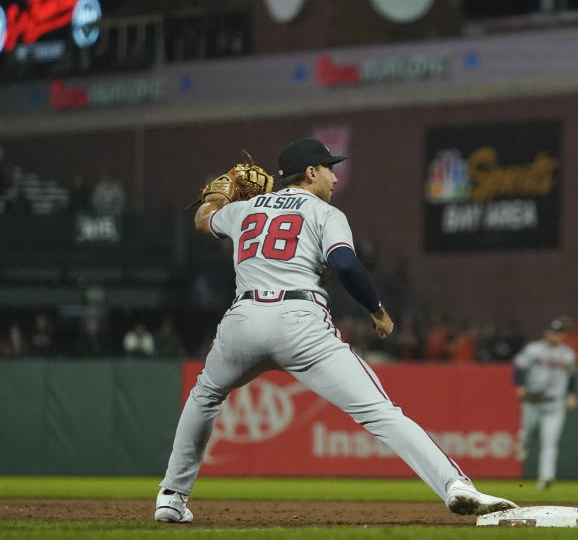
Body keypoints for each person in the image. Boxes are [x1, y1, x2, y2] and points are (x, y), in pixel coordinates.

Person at [154, 138, 517, 523]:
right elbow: (344, 264)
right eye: (329, 168)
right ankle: (455, 485)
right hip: (300, 322)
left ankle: (171, 497)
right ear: (311, 173)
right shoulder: (325, 213)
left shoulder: (244, 209)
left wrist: (218, 194)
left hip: (242, 320)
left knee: (205, 395)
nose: (334, 177)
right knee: (380, 412)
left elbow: (201, 219)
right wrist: (377, 310)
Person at [513, 317, 578, 491]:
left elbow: (572, 376)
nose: (556, 335)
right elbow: (519, 366)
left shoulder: (568, 353)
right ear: (547, 332)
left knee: (549, 443)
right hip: (532, 402)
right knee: (526, 434)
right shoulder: (534, 349)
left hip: (554, 404)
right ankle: (522, 443)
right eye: (554, 332)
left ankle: (546, 477)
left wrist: (571, 394)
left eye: (559, 333)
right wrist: (520, 385)